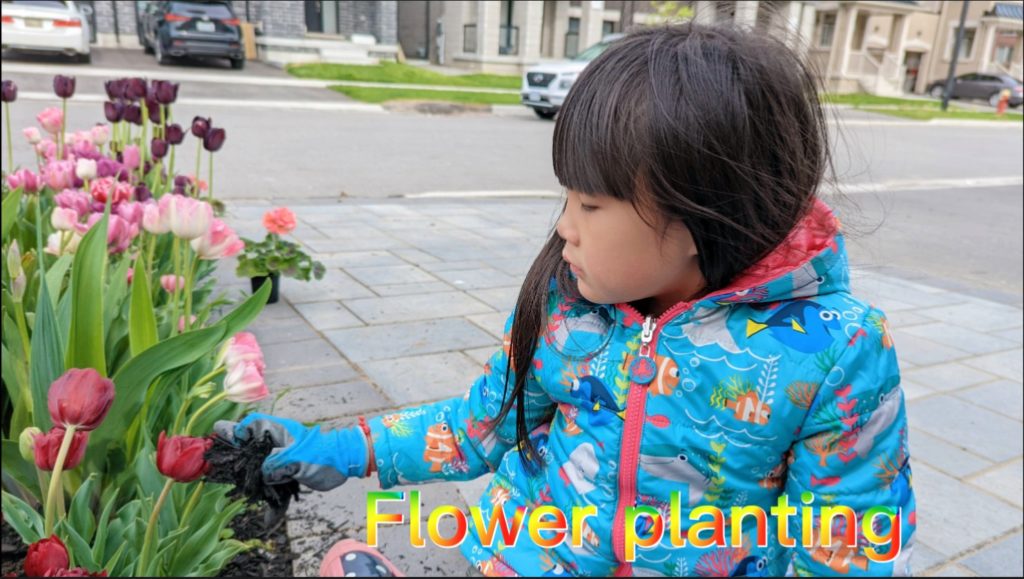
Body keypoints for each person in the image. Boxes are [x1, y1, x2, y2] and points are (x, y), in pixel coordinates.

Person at [217, 22, 916, 577]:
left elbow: (847, 542)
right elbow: (479, 426)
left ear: (702, 215)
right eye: (567, 198)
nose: (564, 228)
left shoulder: (835, 352)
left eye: (590, 203)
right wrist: (338, 448)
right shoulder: (567, 305)